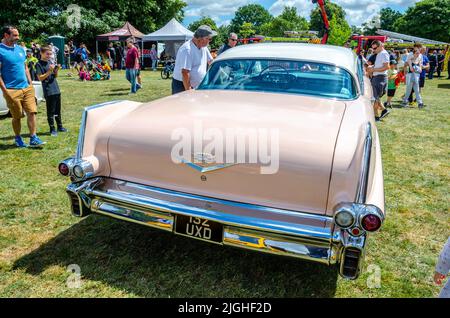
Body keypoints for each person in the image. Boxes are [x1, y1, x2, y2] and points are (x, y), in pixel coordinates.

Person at [0, 25, 45, 147]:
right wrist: (5, 91)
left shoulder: (20, 49)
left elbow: (25, 67)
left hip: (27, 87)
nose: (17, 37)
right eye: (15, 35)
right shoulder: (0, 50)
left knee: (32, 112)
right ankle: (18, 138)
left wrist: (30, 83)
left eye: (18, 35)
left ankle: (33, 137)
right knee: (17, 116)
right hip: (12, 90)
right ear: (6, 35)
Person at [172, 25, 216, 94]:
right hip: (183, 85)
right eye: (209, 39)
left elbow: (211, 62)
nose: (210, 41)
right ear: (200, 39)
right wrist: (189, 91)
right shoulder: (187, 49)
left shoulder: (204, 47)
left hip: (197, 86)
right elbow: (185, 72)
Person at [35, 45, 67, 136]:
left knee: (58, 110)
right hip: (49, 90)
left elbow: (54, 76)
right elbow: (40, 78)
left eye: (50, 54)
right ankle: (52, 129)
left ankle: (60, 126)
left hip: (56, 88)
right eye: (47, 54)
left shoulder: (50, 62)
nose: (49, 56)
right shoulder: (38, 64)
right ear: (41, 53)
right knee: (51, 111)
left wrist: (56, 70)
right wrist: (49, 71)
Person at [366, 40, 390, 121]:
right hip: (377, 77)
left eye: (375, 48)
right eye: (373, 49)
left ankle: (377, 116)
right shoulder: (379, 53)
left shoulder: (384, 53)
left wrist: (373, 70)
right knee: (376, 97)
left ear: (380, 46)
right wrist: (372, 67)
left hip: (380, 77)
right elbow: (380, 65)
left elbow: (387, 67)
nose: (374, 50)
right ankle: (383, 111)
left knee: (375, 98)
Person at [401, 44, 424, 108]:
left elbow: (420, 63)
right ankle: (405, 101)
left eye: (419, 48)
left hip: (416, 74)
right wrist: (410, 64)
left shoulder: (420, 55)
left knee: (417, 89)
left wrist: (420, 68)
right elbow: (405, 64)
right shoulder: (410, 54)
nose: (418, 50)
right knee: (409, 89)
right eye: (417, 48)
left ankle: (420, 103)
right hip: (410, 74)